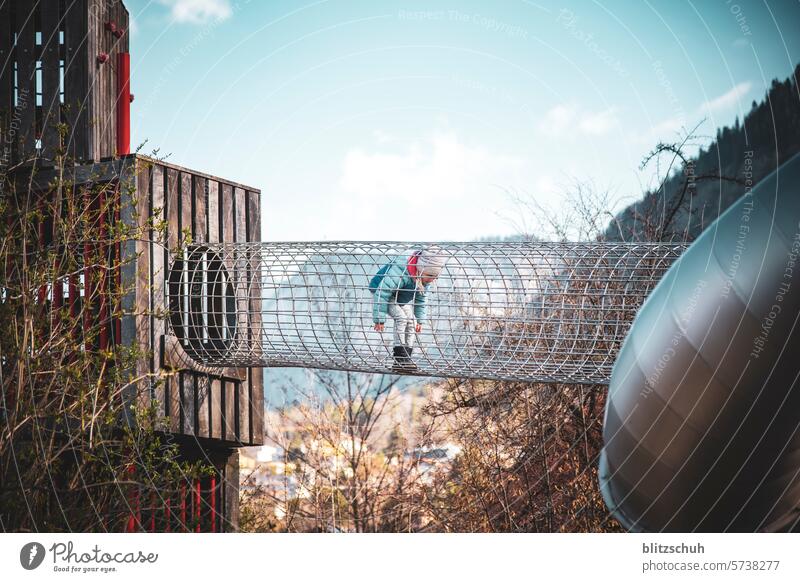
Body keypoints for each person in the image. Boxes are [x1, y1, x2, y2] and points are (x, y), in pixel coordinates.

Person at [369, 247, 447, 372]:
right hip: (381, 291)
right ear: (421, 268)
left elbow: (421, 299)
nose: (432, 279)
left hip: (398, 295)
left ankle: (407, 358)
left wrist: (420, 320)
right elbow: (382, 292)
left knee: (412, 322)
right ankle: (399, 358)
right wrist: (379, 319)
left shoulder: (424, 280)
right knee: (401, 318)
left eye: (435, 276)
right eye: (430, 275)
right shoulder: (401, 270)